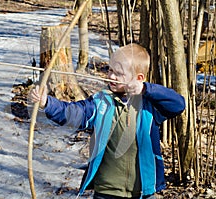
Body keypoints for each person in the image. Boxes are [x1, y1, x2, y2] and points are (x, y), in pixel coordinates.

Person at [28, 43, 186, 199]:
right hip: (106, 191)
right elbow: (73, 113)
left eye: (118, 73)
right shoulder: (101, 102)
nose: (111, 76)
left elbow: (178, 105)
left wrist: (146, 89)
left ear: (138, 78)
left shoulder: (149, 107)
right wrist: (47, 103)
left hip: (143, 192)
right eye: (110, 70)